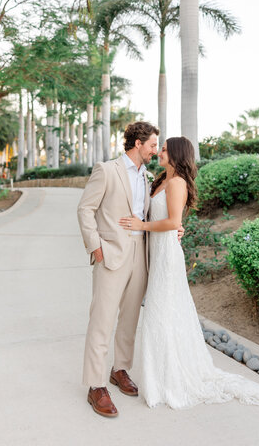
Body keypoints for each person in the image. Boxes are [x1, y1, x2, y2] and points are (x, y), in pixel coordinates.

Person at [119, 137, 259, 409]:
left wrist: (141, 226)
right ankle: (162, 377)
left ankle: (168, 382)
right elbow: (167, 220)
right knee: (161, 315)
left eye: (164, 149)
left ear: (176, 154)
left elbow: (174, 222)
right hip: (156, 253)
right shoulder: (161, 180)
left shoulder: (177, 183)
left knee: (160, 315)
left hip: (167, 257)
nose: (160, 152)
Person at [77, 121, 184, 418]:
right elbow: (85, 209)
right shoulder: (107, 170)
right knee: (102, 318)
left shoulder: (148, 176)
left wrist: (177, 228)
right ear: (138, 144)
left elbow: (160, 214)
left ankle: (120, 369)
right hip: (110, 252)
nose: (155, 150)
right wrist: (95, 246)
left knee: (130, 318)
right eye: (152, 145)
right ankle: (95, 385)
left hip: (142, 253)